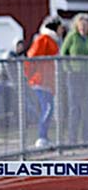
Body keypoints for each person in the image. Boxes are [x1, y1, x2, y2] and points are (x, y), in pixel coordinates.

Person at [24, 15, 63, 148]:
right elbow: (31, 58)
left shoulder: (53, 41)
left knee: (48, 109)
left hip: (49, 82)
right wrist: (31, 77)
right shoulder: (44, 39)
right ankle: (41, 137)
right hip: (40, 81)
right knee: (46, 109)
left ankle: (44, 136)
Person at [61, 13, 88, 144]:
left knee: (86, 107)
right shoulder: (72, 37)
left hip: (86, 76)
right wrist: (68, 69)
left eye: (85, 25)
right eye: (81, 25)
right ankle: (72, 138)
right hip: (74, 76)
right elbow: (63, 53)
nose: (83, 27)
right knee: (74, 107)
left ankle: (86, 137)